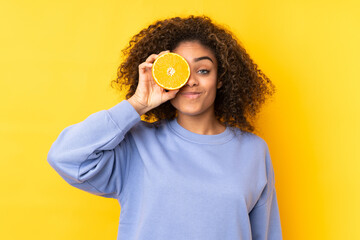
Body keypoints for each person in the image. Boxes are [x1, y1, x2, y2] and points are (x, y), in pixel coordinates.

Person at [47, 15, 282, 240]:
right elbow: (65, 157)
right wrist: (137, 105)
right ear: (163, 77)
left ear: (220, 79)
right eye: (178, 71)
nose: (191, 80)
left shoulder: (254, 151)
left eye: (203, 70)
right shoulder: (136, 144)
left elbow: (266, 235)